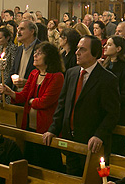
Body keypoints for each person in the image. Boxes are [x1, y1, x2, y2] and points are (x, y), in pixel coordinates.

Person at [43, 35, 119, 176]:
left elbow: (112, 114)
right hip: (71, 140)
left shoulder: (107, 79)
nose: (77, 52)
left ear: (95, 54)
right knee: (72, 182)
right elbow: (62, 105)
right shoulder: (71, 73)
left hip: (93, 144)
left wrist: (99, 135)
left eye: (82, 50)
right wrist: (53, 129)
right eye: (77, 48)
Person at [9, 42, 65, 171]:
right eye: (35, 52)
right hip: (30, 125)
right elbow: (23, 96)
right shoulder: (34, 74)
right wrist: (10, 92)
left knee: (46, 163)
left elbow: (45, 101)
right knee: (31, 161)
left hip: (45, 127)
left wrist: (31, 101)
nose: (35, 55)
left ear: (49, 57)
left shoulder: (57, 77)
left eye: (39, 53)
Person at [102, 36, 125, 154]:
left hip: (119, 114)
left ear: (118, 49)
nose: (105, 46)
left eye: (109, 45)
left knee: (116, 150)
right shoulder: (104, 65)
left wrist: (108, 100)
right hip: (103, 112)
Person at [10, 20, 41, 88]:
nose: (18, 32)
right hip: (17, 94)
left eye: (22, 29)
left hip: (32, 94)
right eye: (18, 29)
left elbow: (45, 77)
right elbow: (13, 71)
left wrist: (28, 82)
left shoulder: (42, 49)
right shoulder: (19, 49)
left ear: (32, 31)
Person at [0, 27, 17, 104]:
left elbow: (13, 66)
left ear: (7, 38)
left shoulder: (13, 48)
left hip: (8, 82)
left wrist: (6, 83)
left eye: (0, 38)